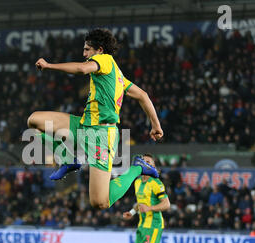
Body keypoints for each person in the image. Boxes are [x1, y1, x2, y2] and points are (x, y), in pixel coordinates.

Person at [28, 28, 163, 210]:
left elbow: (82, 69)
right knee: (34, 122)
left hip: (101, 134)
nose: (84, 54)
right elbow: (143, 95)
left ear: (99, 49)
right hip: (84, 126)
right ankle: (68, 159)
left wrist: (49, 65)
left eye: (87, 50)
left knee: (100, 202)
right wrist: (155, 125)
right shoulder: (117, 76)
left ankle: (138, 167)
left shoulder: (104, 59)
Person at [123, 154, 182, 243]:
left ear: (153, 167)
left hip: (153, 223)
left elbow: (166, 204)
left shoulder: (156, 183)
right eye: (143, 161)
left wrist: (150, 208)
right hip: (142, 223)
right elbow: (140, 202)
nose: (145, 163)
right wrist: (132, 212)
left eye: (148, 162)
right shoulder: (138, 182)